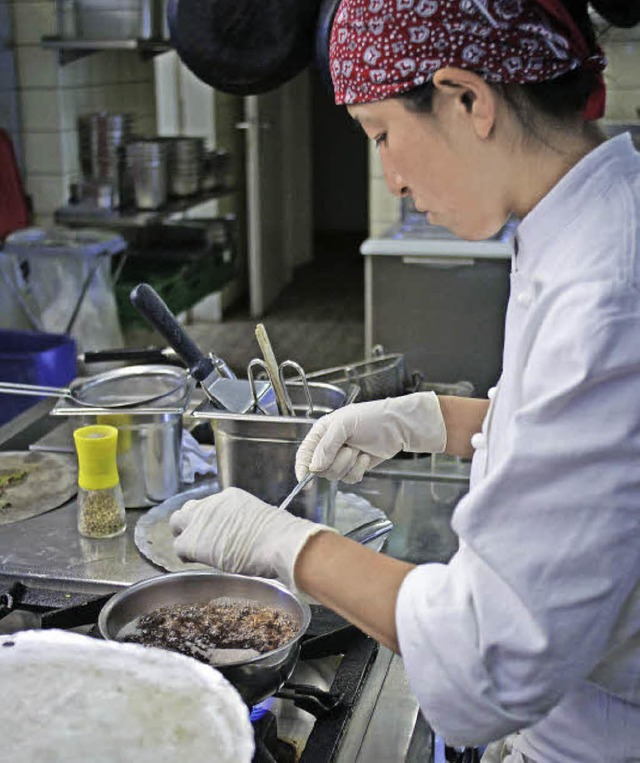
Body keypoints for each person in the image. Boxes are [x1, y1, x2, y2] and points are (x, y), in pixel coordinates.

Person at [170, 0, 640, 759]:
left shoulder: (606, 290)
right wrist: (428, 420)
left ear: (467, 99)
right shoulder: (590, 219)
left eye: (384, 134)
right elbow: (595, 449)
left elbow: (490, 656)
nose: (390, 178)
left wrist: (284, 542)